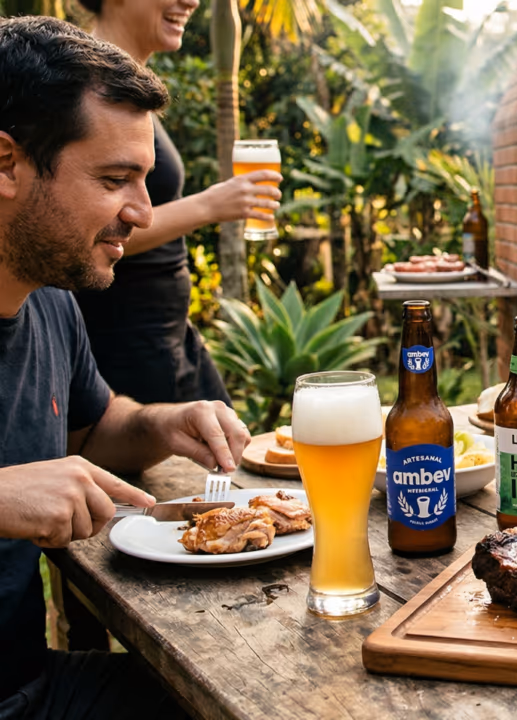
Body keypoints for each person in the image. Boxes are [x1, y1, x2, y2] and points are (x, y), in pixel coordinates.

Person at [0, 16, 252, 717]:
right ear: (6, 163)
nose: (142, 213)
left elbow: (93, 427)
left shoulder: (50, 303)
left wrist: (164, 423)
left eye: (144, 181)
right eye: (116, 180)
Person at [71, 0, 284, 405]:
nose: (191, 1)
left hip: (169, 333)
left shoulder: (128, 83)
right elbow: (77, 229)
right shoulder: (86, 89)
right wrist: (210, 206)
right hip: (126, 342)